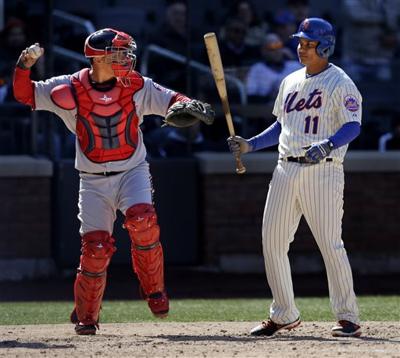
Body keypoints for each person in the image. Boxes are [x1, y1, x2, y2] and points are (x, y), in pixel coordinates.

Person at [13, 28, 214, 335]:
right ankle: (87, 316)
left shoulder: (135, 85)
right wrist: (23, 65)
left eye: (126, 52)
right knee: (95, 248)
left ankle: (155, 291)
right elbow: (24, 93)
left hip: (132, 171)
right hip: (92, 180)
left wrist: (188, 104)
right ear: (99, 56)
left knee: (143, 222)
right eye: (119, 53)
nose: (126, 58)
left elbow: (172, 99)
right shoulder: (68, 87)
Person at [228, 18, 362, 337]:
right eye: (300, 42)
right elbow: (280, 127)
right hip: (285, 168)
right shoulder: (290, 80)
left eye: (308, 43)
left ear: (325, 46)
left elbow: (353, 124)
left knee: (330, 245)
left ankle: (348, 317)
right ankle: (284, 313)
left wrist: (328, 143)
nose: (301, 48)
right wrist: (250, 144)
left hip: (323, 169)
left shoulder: (340, 82)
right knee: (272, 242)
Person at [246, 33, 301, 102]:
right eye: (272, 47)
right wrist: (271, 97)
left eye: (279, 46)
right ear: (263, 51)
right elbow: (251, 96)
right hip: (266, 108)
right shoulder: (256, 69)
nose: (277, 51)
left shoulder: (295, 66)